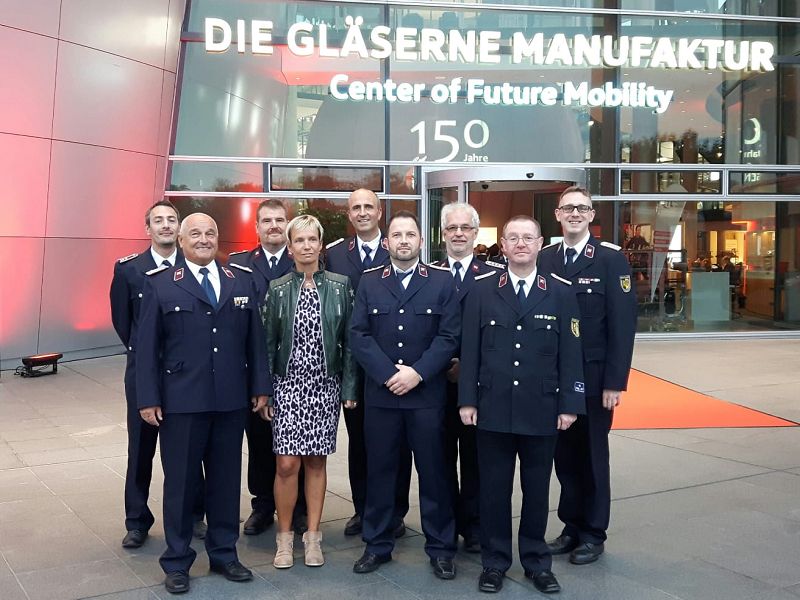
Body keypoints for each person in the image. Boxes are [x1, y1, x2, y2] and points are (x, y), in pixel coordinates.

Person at [135, 213, 271, 595]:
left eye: (210, 233)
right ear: (181, 240)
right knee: (181, 484)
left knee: (226, 482)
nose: (204, 239)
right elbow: (146, 348)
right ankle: (177, 561)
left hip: (230, 399)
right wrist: (148, 397)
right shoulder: (161, 284)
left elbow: (255, 340)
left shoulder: (239, 280)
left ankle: (225, 554)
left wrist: (260, 387)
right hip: (181, 401)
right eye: (194, 233)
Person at [459, 215, 585, 594]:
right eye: (512, 238)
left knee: (537, 490)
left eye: (527, 238)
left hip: (541, 408)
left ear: (540, 243)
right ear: (503, 245)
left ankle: (536, 562)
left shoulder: (561, 292)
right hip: (493, 407)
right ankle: (495, 563)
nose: (520, 244)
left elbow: (571, 354)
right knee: (493, 491)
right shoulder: (482, 290)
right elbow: (470, 351)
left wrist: (569, 404)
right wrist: (467, 400)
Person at [350, 210, 459, 579]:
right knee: (380, 473)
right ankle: (377, 545)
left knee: (434, 474)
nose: (403, 241)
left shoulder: (441, 282)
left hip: (426, 397)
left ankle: (441, 548)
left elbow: (448, 337)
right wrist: (388, 374)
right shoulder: (370, 282)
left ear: (421, 241)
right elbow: (359, 335)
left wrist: (417, 373)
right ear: (387, 242)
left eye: (410, 234)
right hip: (382, 398)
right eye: (396, 235)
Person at [539, 186, 637, 566]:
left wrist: (615, 381)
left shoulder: (611, 260)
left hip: (595, 377)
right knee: (564, 456)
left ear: (592, 215)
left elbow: (623, 325)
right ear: (558, 215)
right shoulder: (545, 258)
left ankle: (594, 533)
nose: (575, 214)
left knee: (593, 455)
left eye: (582, 208)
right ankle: (571, 526)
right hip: (555, 378)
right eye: (568, 208)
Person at [261, 214, 358, 569]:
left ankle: (313, 536)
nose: (306, 246)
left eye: (312, 239)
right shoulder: (277, 289)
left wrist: (349, 386)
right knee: (286, 463)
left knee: (316, 461)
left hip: (324, 386)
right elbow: (267, 342)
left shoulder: (340, 286)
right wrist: (265, 391)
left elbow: (350, 341)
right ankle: (284, 537)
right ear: (290, 248)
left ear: (321, 245)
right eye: (299, 240)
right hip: (287, 386)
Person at [109, 200, 205, 549]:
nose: (166, 225)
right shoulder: (129, 270)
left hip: (185, 376)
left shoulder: (194, 266)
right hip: (144, 375)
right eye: (158, 220)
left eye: (171, 220)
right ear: (147, 228)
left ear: (179, 229)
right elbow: (124, 324)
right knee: (141, 449)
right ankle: (137, 520)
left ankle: (194, 514)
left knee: (189, 449)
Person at [324, 188, 411, 539]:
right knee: (360, 442)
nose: (362, 212)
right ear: (349, 214)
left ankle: (396, 512)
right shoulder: (334, 255)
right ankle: (363, 509)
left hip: (396, 365)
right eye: (355, 207)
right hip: (354, 367)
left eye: (368, 207)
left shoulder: (398, 246)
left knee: (398, 444)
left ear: (379, 212)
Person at [228, 199, 308, 537]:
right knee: (259, 440)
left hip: (298, 369)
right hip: (253, 367)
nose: (273, 225)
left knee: (298, 441)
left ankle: (300, 508)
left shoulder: (304, 260)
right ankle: (262, 505)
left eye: (279, 219)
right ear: (257, 227)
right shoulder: (238, 264)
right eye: (267, 220)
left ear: (287, 225)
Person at [434, 203, 504, 554]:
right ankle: (446, 525)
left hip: (478, 386)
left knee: (477, 460)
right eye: (452, 228)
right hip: (437, 383)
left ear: (476, 234)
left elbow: (500, 331)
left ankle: (474, 526)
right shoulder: (429, 273)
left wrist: (469, 367)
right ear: (442, 233)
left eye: (465, 228)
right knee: (440, 460)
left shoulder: (494, 275)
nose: (458, 234)